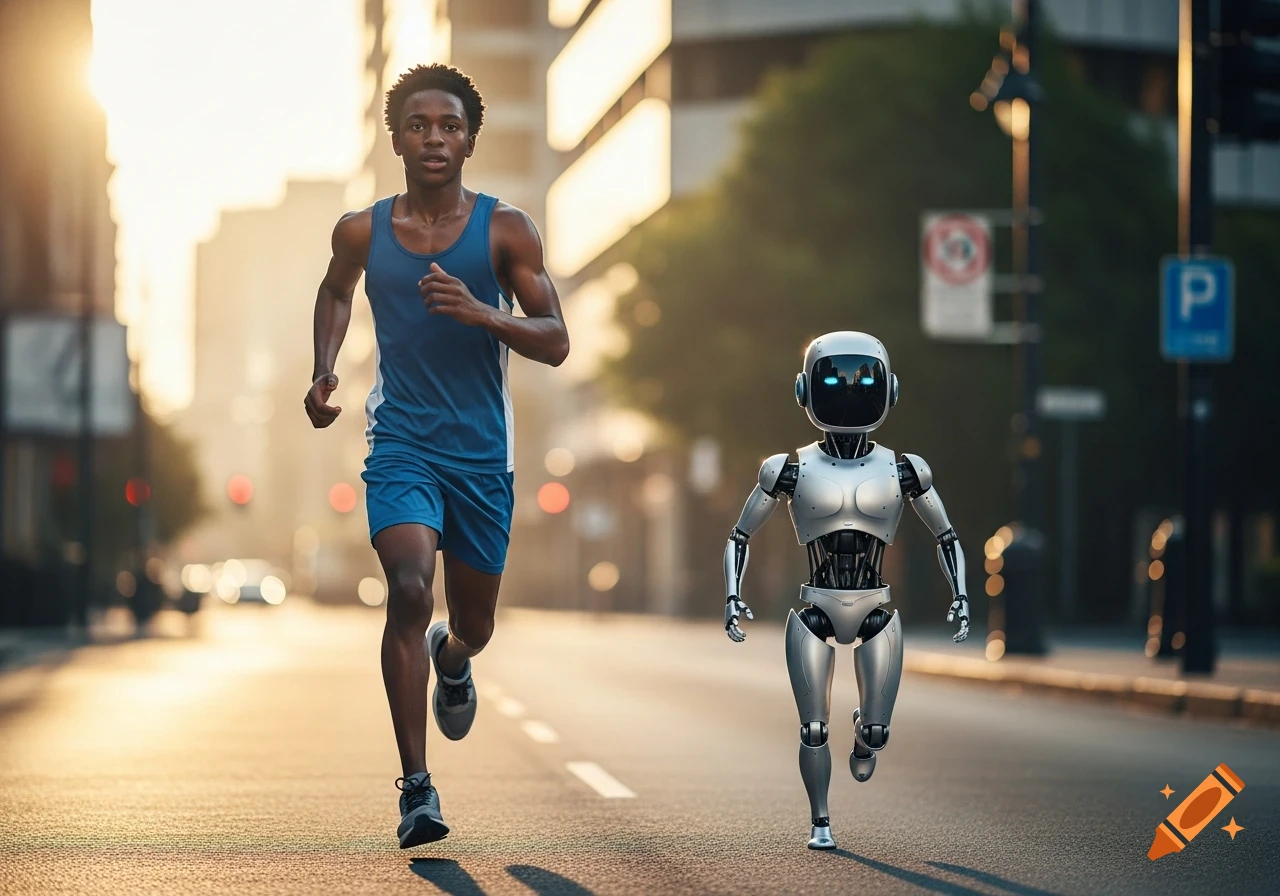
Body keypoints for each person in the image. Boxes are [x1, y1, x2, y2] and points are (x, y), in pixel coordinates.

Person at [304, 63, 569, 849]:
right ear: (397, 138)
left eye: (449, 126)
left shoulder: (505, 230)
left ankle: (453, 662)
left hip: (483, 456)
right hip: (402, 447)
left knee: (474, 622)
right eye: (419, 125)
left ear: (470, 140)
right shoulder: (363, 229)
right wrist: (322, 370)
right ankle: (417, 789)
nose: (434, 138)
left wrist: (483, 312)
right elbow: (335, 290)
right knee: (410, 590)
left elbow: (555, 340)